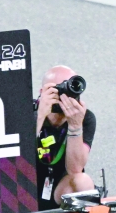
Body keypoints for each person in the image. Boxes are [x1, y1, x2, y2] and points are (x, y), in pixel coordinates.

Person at [35, 65, 96, 205]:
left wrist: (75, 125)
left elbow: (75, 169)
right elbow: (16, 159)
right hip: (26, 184)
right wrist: (39, 116)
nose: (63, 96)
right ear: (42, 92)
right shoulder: (26, 111)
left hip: (61, 189)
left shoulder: (84, 118)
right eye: (57, 90)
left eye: (68, 90)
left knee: (83, 181)